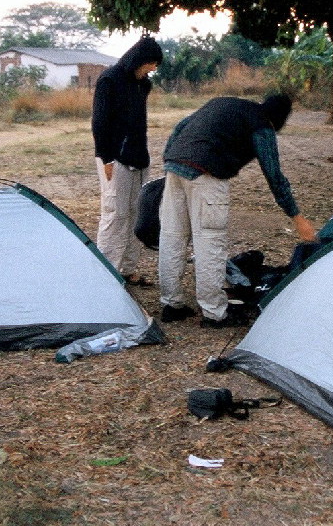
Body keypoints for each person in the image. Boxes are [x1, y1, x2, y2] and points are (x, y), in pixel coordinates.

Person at [157, 94, 317, 328]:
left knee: (172, 237)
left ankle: (171, 305)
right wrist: (296, 216)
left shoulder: (225, 103)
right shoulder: (262, 125)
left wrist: (171, 158)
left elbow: (181, 125)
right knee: (210, 243)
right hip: (207, 174)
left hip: (175, 167)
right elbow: (273, 173)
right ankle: (215, 313)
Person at [91, 34, 164, 286]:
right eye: (152, 63)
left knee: (136, 215)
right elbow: (99, 122)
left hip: (139, 158)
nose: (154, 69)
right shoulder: (109, 80)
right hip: (113, 160)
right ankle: (106, 275)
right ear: (140, 59)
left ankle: (127, 270)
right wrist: (106, 158)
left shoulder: (143, 85)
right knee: (115, 215)